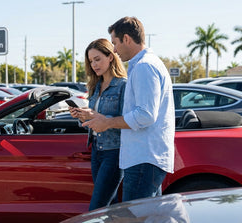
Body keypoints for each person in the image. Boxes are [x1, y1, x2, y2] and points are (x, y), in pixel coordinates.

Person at [82, 17, 175, 202]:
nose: (114, 49)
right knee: (148, 216)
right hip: (144, 157)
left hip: (143, 158)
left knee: (134, 217)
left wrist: (107, 122)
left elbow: (146, 115)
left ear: (126, 39)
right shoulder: (145, 64)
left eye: (115, 43)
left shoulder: (144, 66)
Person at [69, 38, 127, 210]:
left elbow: (127, 120)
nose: (94, 64)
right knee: (110, 206)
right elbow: (94, 118)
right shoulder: (95, 85)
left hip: (114, 152)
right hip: (96, 150)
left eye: (97, 59)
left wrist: (95, 115)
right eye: (91, 61)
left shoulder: (122, 85)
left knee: (97, 207)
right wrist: (82, 116)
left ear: (110, 57)